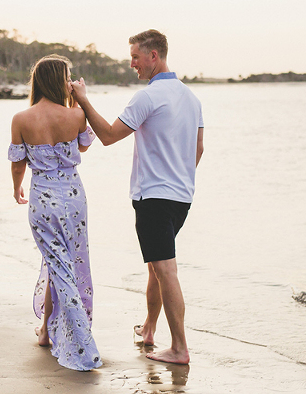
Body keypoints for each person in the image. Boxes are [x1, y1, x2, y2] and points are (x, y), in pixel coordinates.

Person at [70, 29, 204, 365]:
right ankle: (148, 329)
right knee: (156, 268)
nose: (132, 64)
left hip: (155, 197)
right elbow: (198, 149)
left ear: (153, 56)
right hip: (181, 197)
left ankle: (179, 348)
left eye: (135, 57)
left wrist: (84, 100)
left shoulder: (148, 96)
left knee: (165, 269)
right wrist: (180, 177)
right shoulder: (191, 98)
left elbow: (109, 135)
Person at [8, 54, 102, 371]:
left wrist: (15, 188)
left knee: (57, 264)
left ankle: (79, 340)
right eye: (68, 77)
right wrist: (80, 101)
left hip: (43, 196)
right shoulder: (75, 116)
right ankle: (47, 332)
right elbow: (84, 147)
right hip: (74, 196)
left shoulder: (21, 118)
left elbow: (18, 162)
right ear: (61, 81)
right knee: (68, 264)